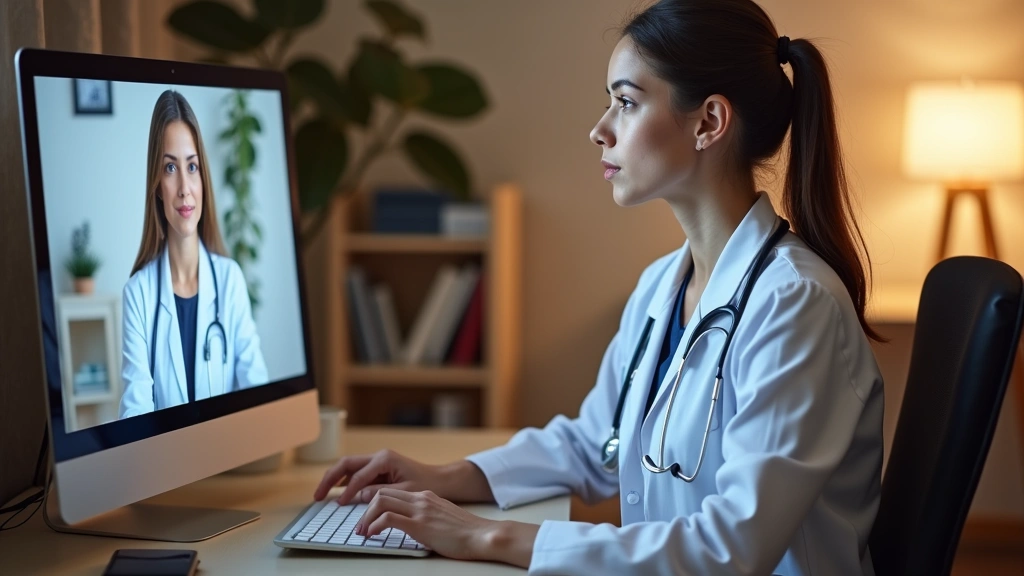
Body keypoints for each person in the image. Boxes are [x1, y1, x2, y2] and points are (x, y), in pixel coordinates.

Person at [312, 0, 884, 573]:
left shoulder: (794, 304)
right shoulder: (665, 284)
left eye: (627, 103)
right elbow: (596, 444)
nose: (599, 129)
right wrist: (444, 478)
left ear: (708, 122)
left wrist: (487, 538)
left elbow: (730, 549)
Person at [119, 90, 268, 419]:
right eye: (170, 168)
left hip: (228, 461)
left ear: (204, 179)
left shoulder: (230, 280)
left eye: (192, 166)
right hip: (165, 469)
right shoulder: (138, 296)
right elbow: (135, 413)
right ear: (157, 184)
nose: (184, 187)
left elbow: (257, 392)